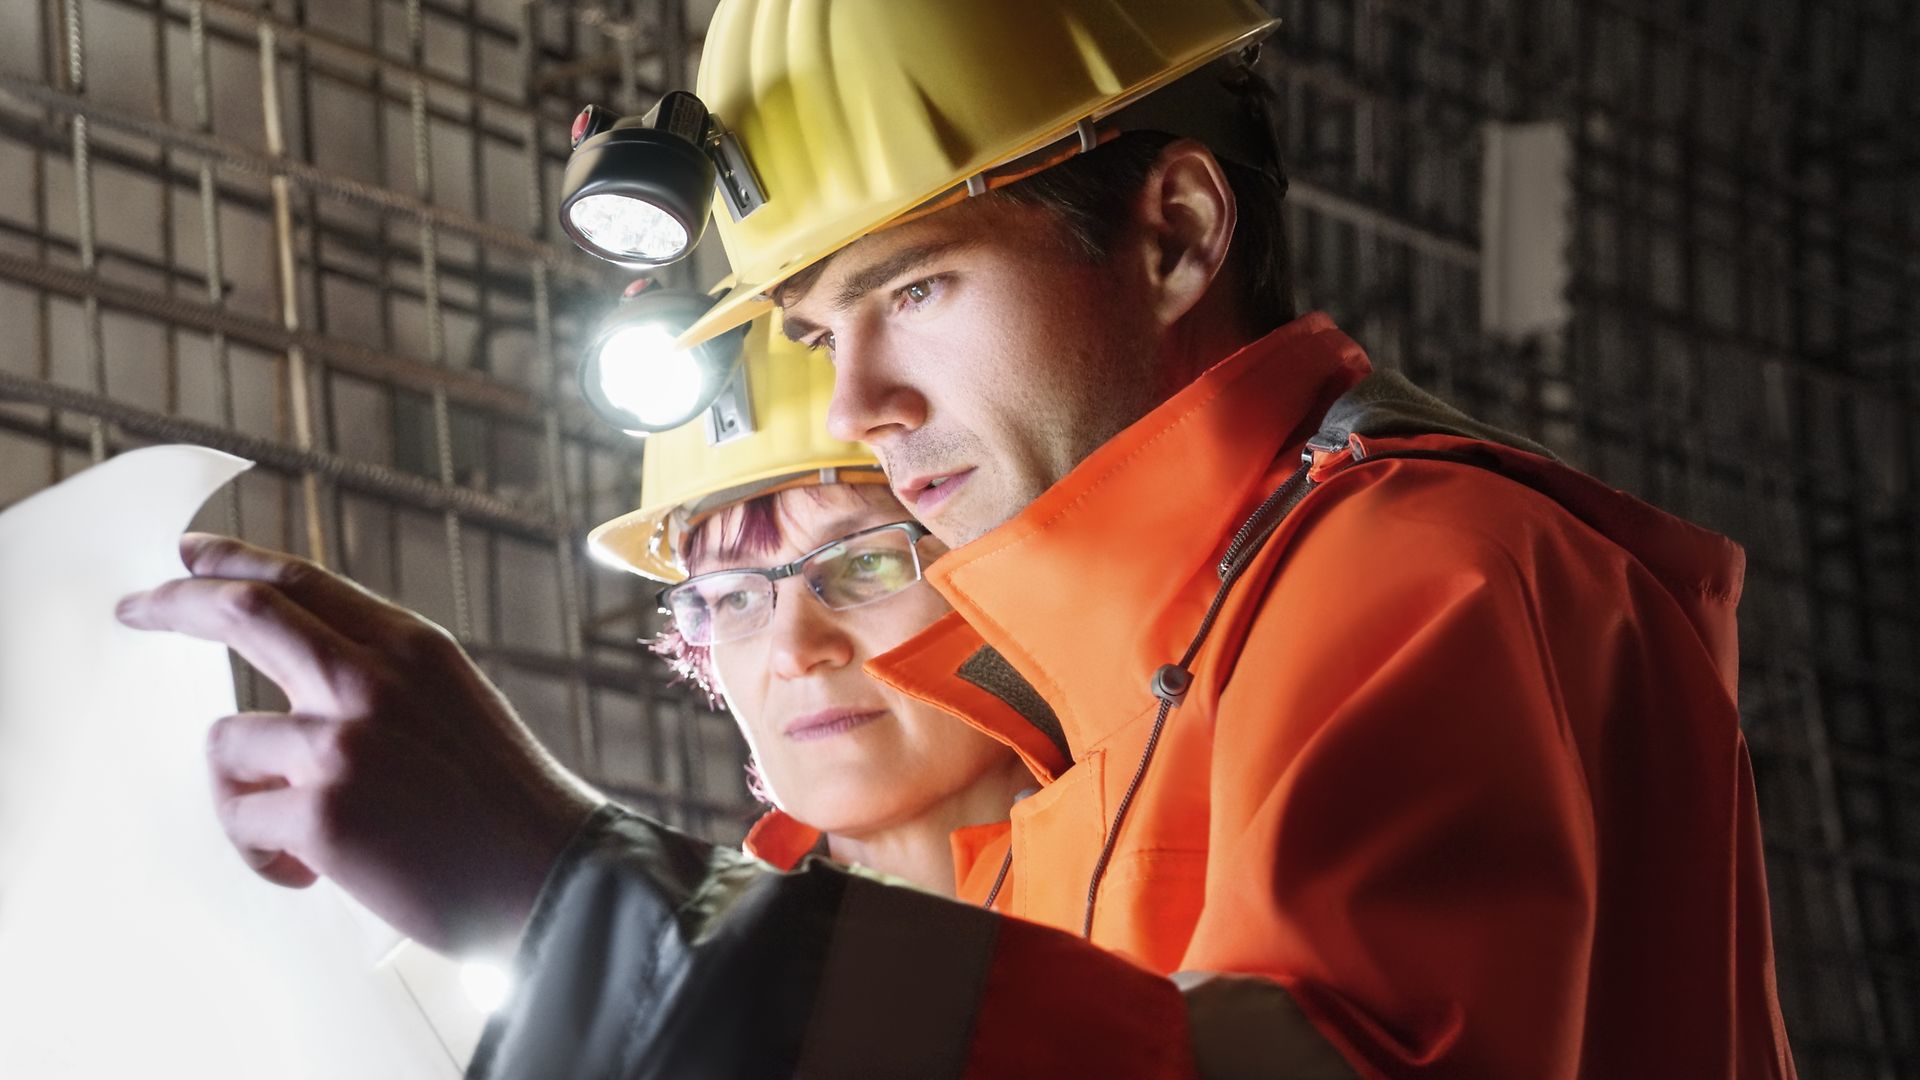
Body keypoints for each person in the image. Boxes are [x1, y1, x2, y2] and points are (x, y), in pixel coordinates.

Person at [118, 2, 1798, 1076]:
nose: (855, 399)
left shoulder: (1424, 573)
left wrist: (584, 900)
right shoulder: (1126, 699)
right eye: (816, 319)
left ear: (1175, 232)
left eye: (915, 288)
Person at [588, 313, 1033, 900]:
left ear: (1005, 563)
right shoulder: (716, 980)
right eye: (737, 597)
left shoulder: (1180, 871)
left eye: (864, 564)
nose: (795, 651)